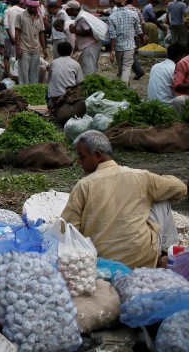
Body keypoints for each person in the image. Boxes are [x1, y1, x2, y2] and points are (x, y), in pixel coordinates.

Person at [62, 130, 186, 269]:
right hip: (141, 261)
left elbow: (66, 229)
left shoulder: (83, 185)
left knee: (158, 195)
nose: (78, 162)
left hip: (100, 263)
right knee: (161, 197)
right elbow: (180, 188)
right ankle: (164, 253)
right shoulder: (140, 176)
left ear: (97, 155)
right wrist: (157, 181)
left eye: (81, 156)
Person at [108, 0, 143, 85]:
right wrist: (142, 39)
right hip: (130, 46)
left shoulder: (112, 17)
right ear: (126, 0)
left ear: (115, 2)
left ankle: (123, 86)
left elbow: (112, 35)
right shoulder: (133, 14)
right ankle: (124, 86)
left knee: (121, 69)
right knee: (126, 69)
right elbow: (139, 30)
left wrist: (111, 51)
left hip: (118, 47)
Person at [148, 42, 188, 116]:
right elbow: (179, 88)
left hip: (151, 105)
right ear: (180, 56)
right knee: (181, 100)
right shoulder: (174, 69)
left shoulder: (155, 67)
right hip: (167, 106)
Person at [15, 0, 47, 84]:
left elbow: (41, 33)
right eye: (31, 7)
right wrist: (18, 47)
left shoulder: (39, 17)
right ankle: (24, 92)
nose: (33, 9)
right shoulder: (20, 16)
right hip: (24, 48)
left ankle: (32, 91)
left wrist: (44, 48)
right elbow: (17, 31)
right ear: (27, 6)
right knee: (24, 74)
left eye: (34, 7)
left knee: (34, 74)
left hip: (36, 49)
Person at [67, 0, 101, 75]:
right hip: (91, 46)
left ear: (73, 9)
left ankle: (91, 85)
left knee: (89, 70)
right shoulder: (82, 15)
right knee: (90, 68)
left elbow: (89, 32)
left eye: (67, 9)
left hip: (90, 46)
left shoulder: (81, 18)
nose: (66, 11)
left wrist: (74, 31)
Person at [47, 42, 84, 108]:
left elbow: (49, 81)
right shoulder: (75, 64)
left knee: (48, 89)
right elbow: (80, 82)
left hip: (54, 96)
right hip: (69, 96)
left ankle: (50, 109)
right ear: (71, 51)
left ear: (58, 51)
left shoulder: (53, 63)